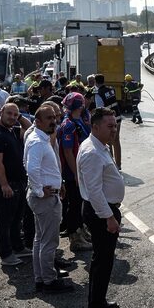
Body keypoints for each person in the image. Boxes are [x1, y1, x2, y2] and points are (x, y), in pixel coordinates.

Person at [77, 107, 125, 308]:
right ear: (95, 127)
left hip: (104, 210)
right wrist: (109, 217)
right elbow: (94, 191)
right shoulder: (92, 152)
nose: (114, 129)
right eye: (109, 126)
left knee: (104, 261)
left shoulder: (99, 146)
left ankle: (99, 301)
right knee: (102, 262)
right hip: (101, 212)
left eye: (115, 125)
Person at [25, 104, 70, 294]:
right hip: (44, 198)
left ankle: (41, 278)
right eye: (49, 118)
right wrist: (39, 191)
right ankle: (49, 281)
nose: (54, 121)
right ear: (38, 121)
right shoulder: (37, 141)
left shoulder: (39, 138)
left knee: (40, 240)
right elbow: (31, 168)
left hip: (45, 195)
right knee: (49, 241)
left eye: (54, 117)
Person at [0, 102, 32, 267]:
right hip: (5, 184)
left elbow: (29, 128)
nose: (13, 117)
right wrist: (4, 185)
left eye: (16, 115)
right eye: (9, 114)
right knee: (5, 221)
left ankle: (18, 247)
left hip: (18, 182)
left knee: (16, 219)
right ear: (1, 112)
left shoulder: (11, 130)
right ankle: (6, 254)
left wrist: (19, 116)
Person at [56, 93, 92, 253]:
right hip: (73, 173)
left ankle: (80, 230)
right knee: (75, 204)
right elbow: (68, 151)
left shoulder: (78, 121)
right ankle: (75, 238)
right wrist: (77, 173)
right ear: (80, 105)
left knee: (80, 203)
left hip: (81, 170)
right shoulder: (69, 124)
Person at [92, 75, 121, 169]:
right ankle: (119, 164)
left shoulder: (98, 93)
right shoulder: (111, 90)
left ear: (96, 82)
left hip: (107, 120)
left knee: (108, 141)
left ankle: (111, 164)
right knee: (116, 140)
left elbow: (99, 109)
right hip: (117, 117)